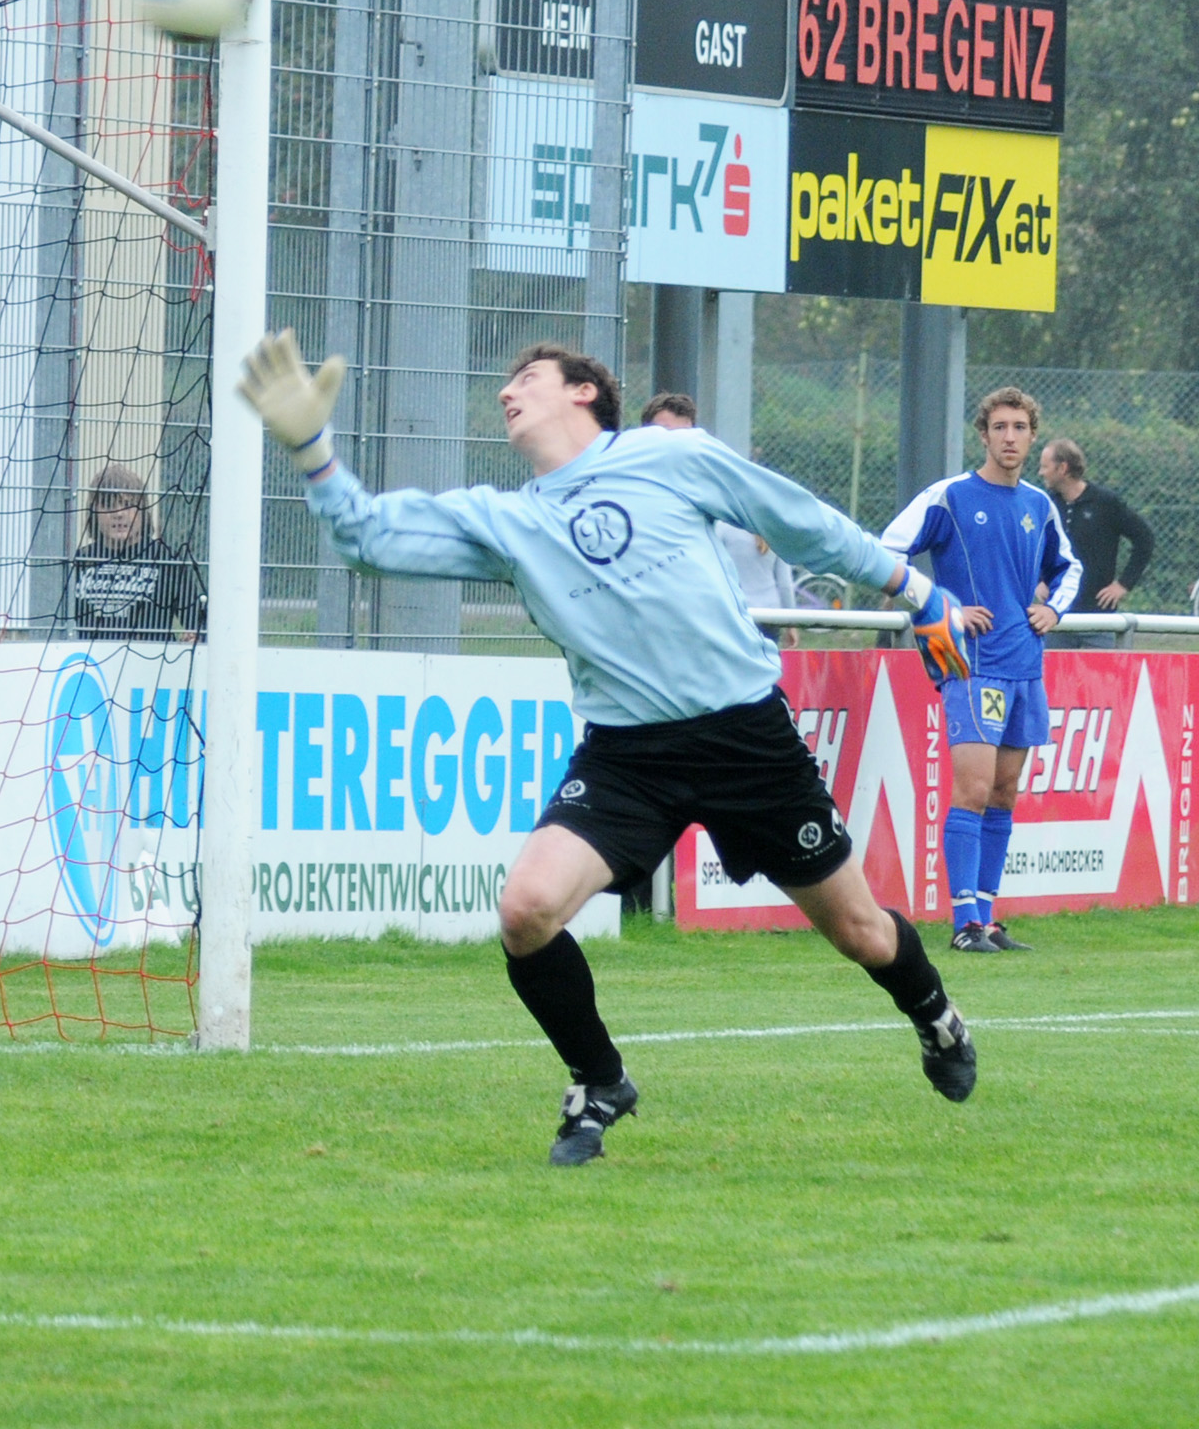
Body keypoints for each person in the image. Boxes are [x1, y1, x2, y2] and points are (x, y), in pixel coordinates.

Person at [237, 331, 979, 1167]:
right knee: (525, 910)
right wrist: (311, 447)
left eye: (528, 378)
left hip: (746, 740)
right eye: (506, 384)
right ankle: (599, 1081)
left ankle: (936, 1017)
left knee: (861, 933)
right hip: (628, 757)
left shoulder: (670, 456)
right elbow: (368, 540)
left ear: (584, 391)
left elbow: (798, 521)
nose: (508, 392)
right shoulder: (509, 520)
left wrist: (917, 592)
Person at [886, 387, 1081, 955]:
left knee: (1003, 792)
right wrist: (941, 606)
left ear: (1032, 435)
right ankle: (964, 923)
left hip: (1024, 666)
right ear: (984, 434)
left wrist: (1053, 609)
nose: (1010, 437)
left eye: (1020, 427)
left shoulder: (1039, 505)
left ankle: (988, 919)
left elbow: (1070, 568)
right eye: (1000, 427)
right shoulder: (949, 496)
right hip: (972, 667)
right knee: (971, 789)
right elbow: (887, 552)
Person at [640, 393, 800, 648]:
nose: (677, 446)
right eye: (667, 434)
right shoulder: (630, 493)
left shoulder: (714, 509)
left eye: (685, 436)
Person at [1037, 437, 1153, 651]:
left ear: (1062, 468)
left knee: (1102, 673)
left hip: (1099, 617)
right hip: (1056, 615)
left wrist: (1123, 584)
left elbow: (1145, 539)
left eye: (1045, 466)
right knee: (1054, 672)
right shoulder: (1046, 505)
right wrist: (1039, 580)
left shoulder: (1106, 502)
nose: (1040, 472)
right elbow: (1031, 546)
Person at [72, 462, 205, 641]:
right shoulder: (80, 561)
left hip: (150, 657)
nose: (119, 514)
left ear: (143, 510)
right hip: (90, 657)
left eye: (128, 505)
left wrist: (193, 639)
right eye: (108, 506)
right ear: (94, 512)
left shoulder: (167, 561)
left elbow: (197, 625)